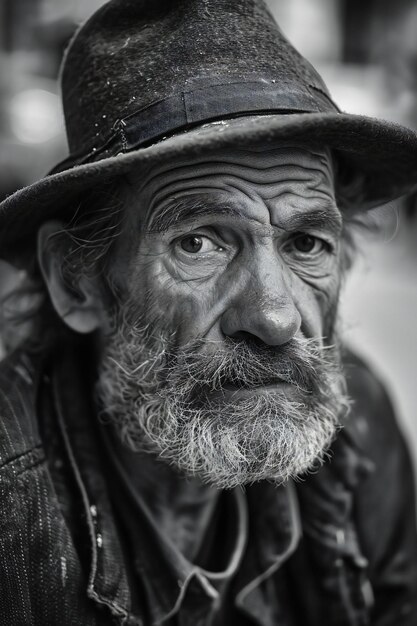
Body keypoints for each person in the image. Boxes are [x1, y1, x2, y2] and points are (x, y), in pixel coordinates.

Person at [0, 1, 417, 624]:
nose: (276, 319)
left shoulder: (360, 428)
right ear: (78, 281)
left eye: (307, 244)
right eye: (198, 242)